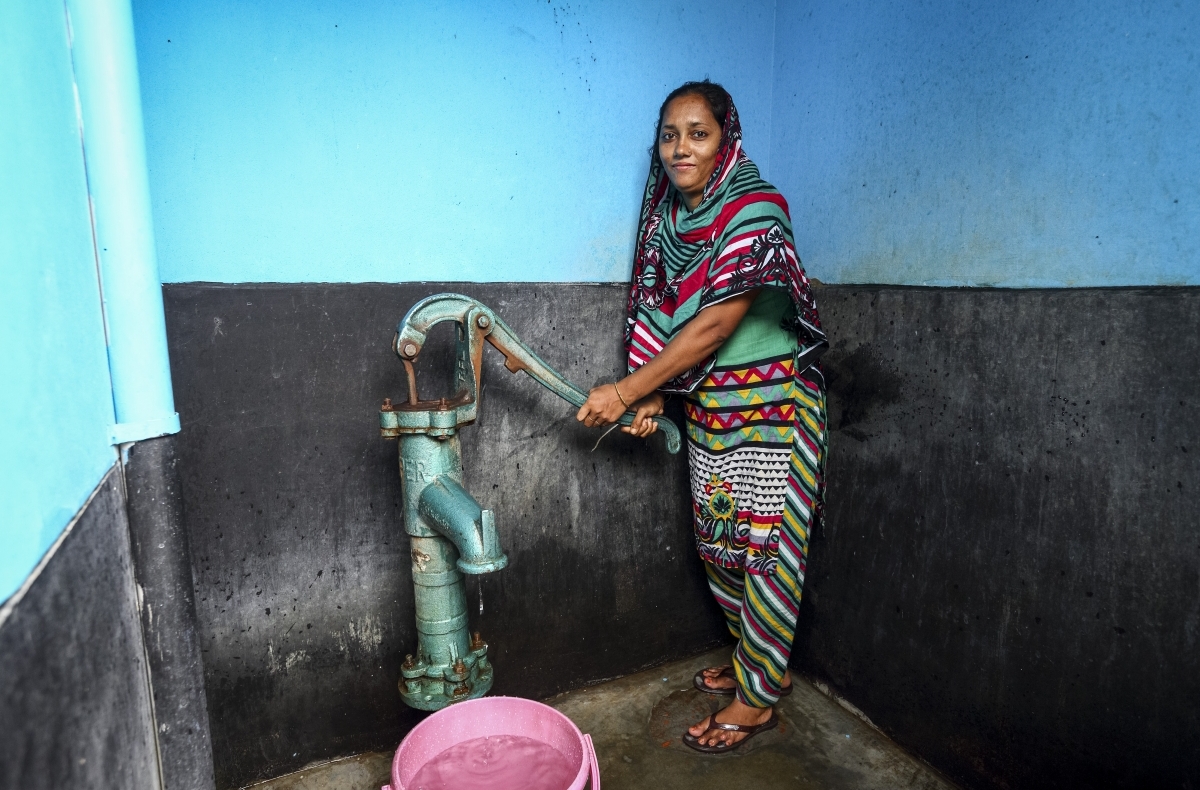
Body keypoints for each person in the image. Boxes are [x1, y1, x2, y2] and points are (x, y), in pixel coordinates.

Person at [575, 80, 829, 753]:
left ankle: (758, 701)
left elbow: (714, 324)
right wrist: (657, 394)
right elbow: (667, 326)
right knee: (722, 551)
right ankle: (756, 665)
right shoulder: (668, 226)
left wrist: (629, 392)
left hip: (775, 407)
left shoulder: (756, 208)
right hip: (713, 412)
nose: (680, 147)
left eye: (698, 132)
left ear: (726, 138)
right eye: (669, 134)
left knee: (769, 556)